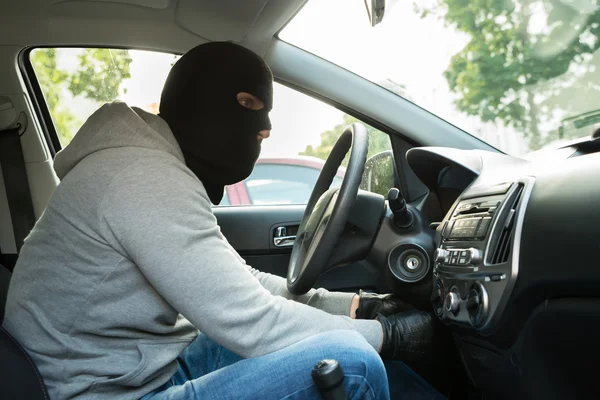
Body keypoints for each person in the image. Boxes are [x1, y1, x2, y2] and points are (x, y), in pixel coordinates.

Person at [3, 42, 442, 399]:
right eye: (250, 103)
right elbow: (252, 321)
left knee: (328, 339)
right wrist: (389, 337)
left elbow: (240, 284)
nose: (265, 127)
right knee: (354, 363)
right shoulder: (141, 178)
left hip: (128, 371)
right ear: (199, 100)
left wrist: (354, 307)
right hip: (102, 394)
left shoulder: (148, 167)